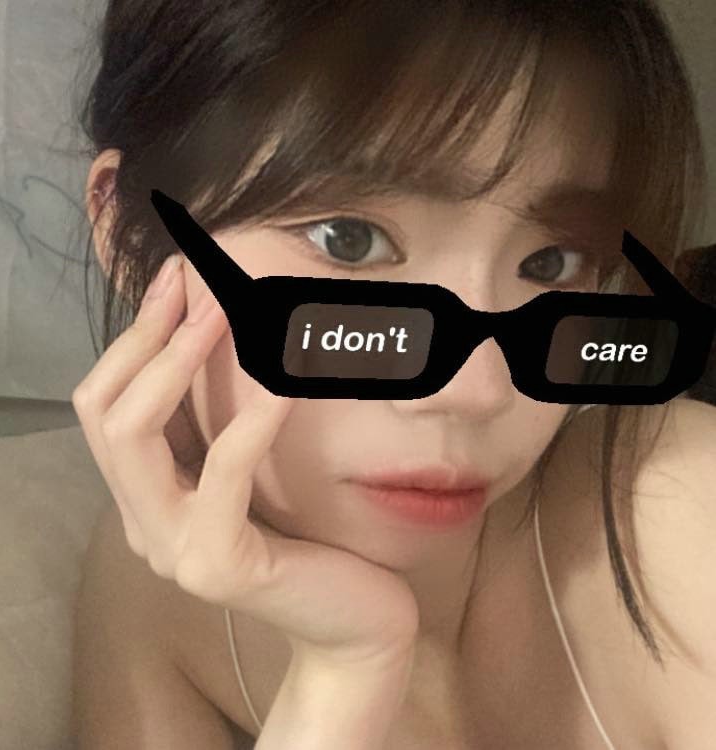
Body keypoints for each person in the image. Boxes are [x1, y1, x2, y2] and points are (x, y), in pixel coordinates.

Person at [70, 1, 716, 747]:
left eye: (551, 263)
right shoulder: (161, 588)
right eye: (348, 240)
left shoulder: (678, 506)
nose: (478, 390)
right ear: (127, 235)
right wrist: (345, 666)